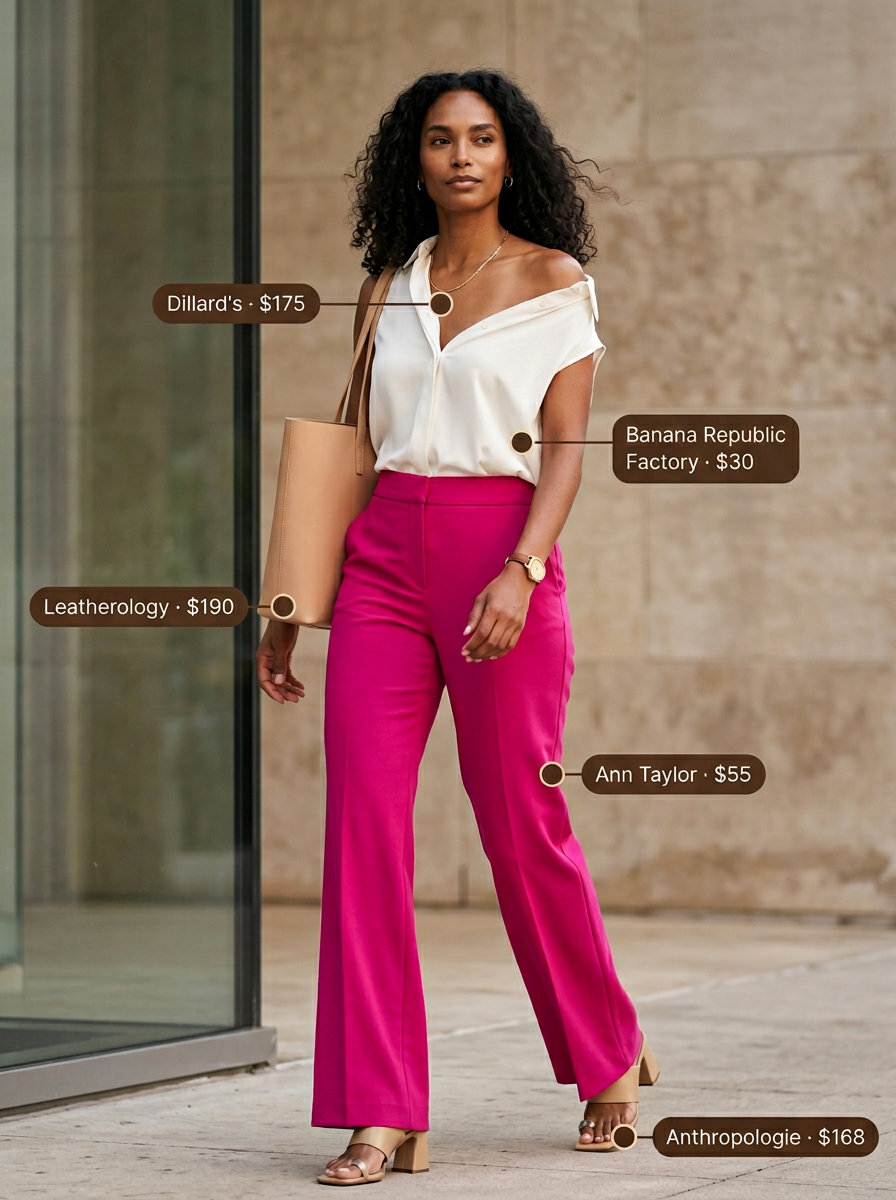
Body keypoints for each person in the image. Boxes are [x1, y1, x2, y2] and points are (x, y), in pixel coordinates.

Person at [256, 68, 658, 1187]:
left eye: (481, 138)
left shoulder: (552, 282)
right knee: (363, 829)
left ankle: (606, 1053)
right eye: (439, 140)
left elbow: (568, 449)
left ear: (511, 156)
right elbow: (356, 449)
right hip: (382, 555)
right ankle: (381, 1112)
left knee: (518, 820)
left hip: (499, 550)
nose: (462, 156)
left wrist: (522, 570)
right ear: (415, 161)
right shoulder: (390, 281)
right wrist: (287, 603)